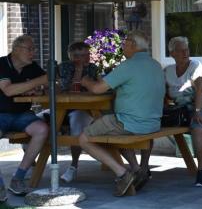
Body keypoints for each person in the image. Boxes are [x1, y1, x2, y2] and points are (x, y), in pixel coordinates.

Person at [78, 31, 165, 196]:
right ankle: (138, 169)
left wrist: (86, 81)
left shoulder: (128, 65)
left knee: (84, 138)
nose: (122, 46)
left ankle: (122, 174)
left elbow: (97, 89)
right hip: (153, 123)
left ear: (133, 45)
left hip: (130, 123)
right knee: (111, 125)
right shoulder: (155, 65)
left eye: (124, 43)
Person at [164, 36, 202, 187]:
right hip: (180, 111)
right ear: (172, 53)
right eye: (181, 50)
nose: (185, 52)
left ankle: (201, 171)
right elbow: (161, 92)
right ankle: (143, 169)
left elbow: (200, 90)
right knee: (150, 123)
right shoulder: (167, 71)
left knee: (198, 127)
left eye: (186, 49)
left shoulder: (196, 66)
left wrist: (198, 112)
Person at [0, 35, 49, 196]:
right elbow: (8, 90)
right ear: (16, 50)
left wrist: (40, 90)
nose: (33, 53)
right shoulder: (1, 64)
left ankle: (18, 178)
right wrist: (37, 82)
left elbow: (51, 83)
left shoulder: (32, 67)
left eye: (33, 49)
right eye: (30, 49)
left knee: (42, 130)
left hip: (22, 114)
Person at [58, 41, 98, 183]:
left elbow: (95, 88)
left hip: (85, 109)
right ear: (72, 57)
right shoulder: (64, 67)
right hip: (62, 108)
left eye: (87, 54)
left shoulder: (93, 68)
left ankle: (73, 167)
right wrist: (79, 70)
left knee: (77, 124)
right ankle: (33, 164)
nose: (86, 58)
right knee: (37, 121)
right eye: (81, 55)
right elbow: (67, 89)